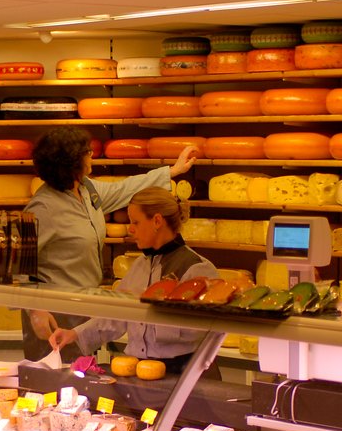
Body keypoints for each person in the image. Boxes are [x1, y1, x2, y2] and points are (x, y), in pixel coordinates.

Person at [21, 126, 197, 359]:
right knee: (53, 384)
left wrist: (171, 172)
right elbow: (14, 265)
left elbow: (124, 188)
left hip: (83, 307)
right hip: (53, 315)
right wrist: (35, 310)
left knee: (79, 384)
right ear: (71, 161)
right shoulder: (40, 208)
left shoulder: (85, 190)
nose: (91, 155)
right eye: (87, 151)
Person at [48, 187, 219, 375]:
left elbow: (203, 330)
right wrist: (75, 334)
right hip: (134, 369)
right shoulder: (140, 265)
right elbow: (117, 315)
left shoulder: (197, 268)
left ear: (157, 221)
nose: (130, 229)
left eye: (136, 222)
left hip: (180, 373)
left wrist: (156, 311)